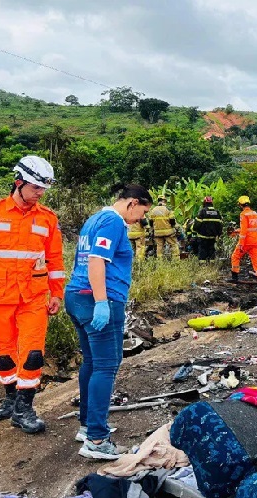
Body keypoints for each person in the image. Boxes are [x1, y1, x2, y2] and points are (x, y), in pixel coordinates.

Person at [0, 155, 65, 434]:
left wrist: (56, 294)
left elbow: (55, 260)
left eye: (43, 189)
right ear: (19, 182)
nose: (39, 193)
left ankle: (24, 409)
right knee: (3, 354)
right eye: (35, 187)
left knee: (33, 353)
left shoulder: (47, 219)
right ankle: (11, 399)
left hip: (33, 298)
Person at [65, 183, 152, 459]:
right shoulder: (114, 223)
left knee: (91, 362)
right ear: (132, 203)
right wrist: (102, 302)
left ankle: (88, 425)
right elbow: (95, 261)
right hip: (97, 299)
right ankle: (97, 441)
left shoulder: (94, 218)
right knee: (106, 366)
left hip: (76, 296)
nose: (141, 218)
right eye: (142, 211)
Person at [231, 196, 257, 289]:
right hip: (255, 241)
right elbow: (251, 228)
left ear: (240, 204)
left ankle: (234, 277)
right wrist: (237, 231)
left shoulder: (243, 214)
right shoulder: (254, 213)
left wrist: (241, 243)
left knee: (235, 256)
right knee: (256, 261)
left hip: (246, 241)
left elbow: (244, 231)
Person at [148, 195, 179, 260]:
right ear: (164, 201)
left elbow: (150, 222)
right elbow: (172, 220)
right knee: (173, 245)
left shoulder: (153, 210)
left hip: (158, 232)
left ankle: (160, 261)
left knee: (159, 246)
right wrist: (174, 228)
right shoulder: (167, 209)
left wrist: (152, 229)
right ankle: (176, 260)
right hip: (168, 232)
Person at [193, 196, 223, 262]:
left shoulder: (202, 212)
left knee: (202, 251)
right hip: (212, 237)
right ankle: (211, 265)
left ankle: (203, 266)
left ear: (204, 203)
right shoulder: (217, 212)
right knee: (211, 250)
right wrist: (219, 234)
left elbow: (196, 224)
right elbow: (220, 225)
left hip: (203, 236)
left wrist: (195, 230)